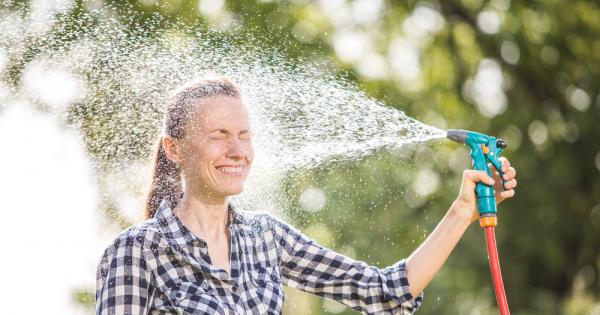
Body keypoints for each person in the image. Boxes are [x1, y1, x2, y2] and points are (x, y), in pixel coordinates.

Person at [95, 75, 517, 315]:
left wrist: (462, 211)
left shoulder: (265, 238)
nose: (237, 150)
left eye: (243, 135)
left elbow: (385, 292)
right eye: (218, 136)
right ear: (175, 149)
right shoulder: (137, 252)